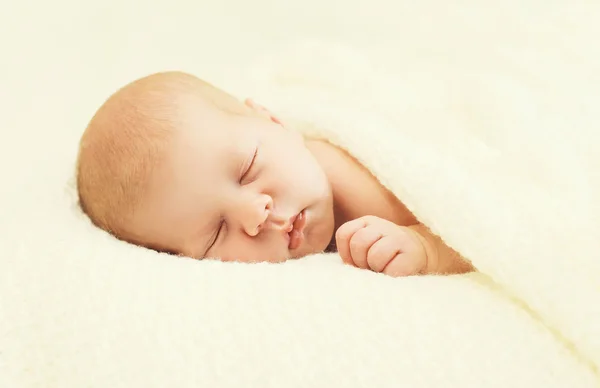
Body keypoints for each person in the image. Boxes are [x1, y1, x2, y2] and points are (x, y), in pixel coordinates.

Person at [77, 71, 474, 276]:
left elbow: (470, 225)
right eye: (216, 233)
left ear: (272, 120)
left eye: (247, 169)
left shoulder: (362, 184)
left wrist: (425, 248)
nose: (255, 216)